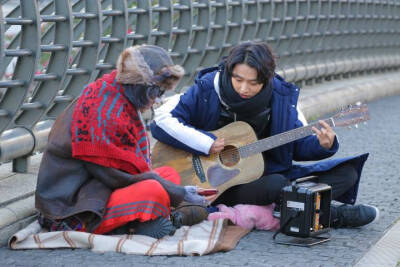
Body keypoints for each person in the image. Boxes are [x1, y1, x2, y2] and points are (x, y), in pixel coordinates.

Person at [150, 41, 379, 228]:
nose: (243, 89)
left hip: (262, 176)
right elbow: (161, 122)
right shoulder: (208, 88)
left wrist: (324, 144)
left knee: (347, 174)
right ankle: (331, 214)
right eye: (238, 79)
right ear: (229, 71)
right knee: (278, 185)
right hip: (219, 185)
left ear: (266, 78)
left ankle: (293, 206)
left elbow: (298, 146)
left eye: (253, 83)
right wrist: (206, 143)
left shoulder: (282, 97)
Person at [35, 45, 210, 239]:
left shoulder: (116, 94)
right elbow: (113, 176)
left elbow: (131, 171)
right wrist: (179, 193)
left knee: (167, 175)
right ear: (138, 84)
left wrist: (176, 189)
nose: (157, 99)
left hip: (96, 190)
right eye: (156, 92)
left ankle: (151, 218)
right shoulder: (102, 112)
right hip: (70, 207)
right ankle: (133, 225)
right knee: (154, 189)